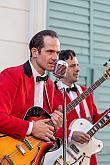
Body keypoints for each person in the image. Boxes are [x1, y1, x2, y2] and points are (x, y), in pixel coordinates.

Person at [0, 30, 63, 155]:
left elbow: (41, 126)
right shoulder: (11, 75)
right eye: (50, 51)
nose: (55, 58)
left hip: (32, 156)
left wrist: (54, 125)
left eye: (57, 52)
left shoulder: (50, 84)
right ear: (34, 52)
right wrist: (31, 128)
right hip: (6, 153)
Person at [53, 49, 110, 165]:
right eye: (73, 66)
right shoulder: (50, 92)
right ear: (62, 68)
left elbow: (94, 120)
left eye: (77, 65)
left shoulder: (84, 91)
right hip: (60, 156)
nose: (78, 69)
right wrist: (71, 134)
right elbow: (46, 127)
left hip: (87, 157)